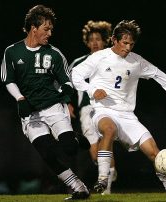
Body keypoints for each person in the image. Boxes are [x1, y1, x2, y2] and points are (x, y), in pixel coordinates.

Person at [72, 20, 166, 200]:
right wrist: (92, 90)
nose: (128, 47)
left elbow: (159, 75)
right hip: (103, 111)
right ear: (114, 40)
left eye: (131, 44)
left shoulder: (137, 62)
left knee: (155, 153)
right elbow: (76, 75)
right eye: (124, 43)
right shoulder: (98, 57)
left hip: (127, 116)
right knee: (109, 129)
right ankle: (103, 178)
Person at [0, 5, 90, 200]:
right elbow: (9, 80)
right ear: (34, 28)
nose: (50, 33)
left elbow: (66, 79)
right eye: (46, 29)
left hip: (54, 107)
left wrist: (67, 88)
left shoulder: (54, 53)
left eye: (51, 29)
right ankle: (77, 186)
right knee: (46, 152)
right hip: (30, 112)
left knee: (69, 150)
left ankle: (72, 138)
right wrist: (20, 98)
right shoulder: (12, 52)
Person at [69, 20, 117, 195]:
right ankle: (109, 171)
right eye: (92, 39)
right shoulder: (79, 62)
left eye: (98, 38)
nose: (95, 42)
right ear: (87, 43)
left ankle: (107, 189)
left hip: (108, 108)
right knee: (95, 153)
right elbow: (67, 83)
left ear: (105, 41)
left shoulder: (114, 61)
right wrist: (67, 103)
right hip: (86, 109)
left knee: (108, 137)